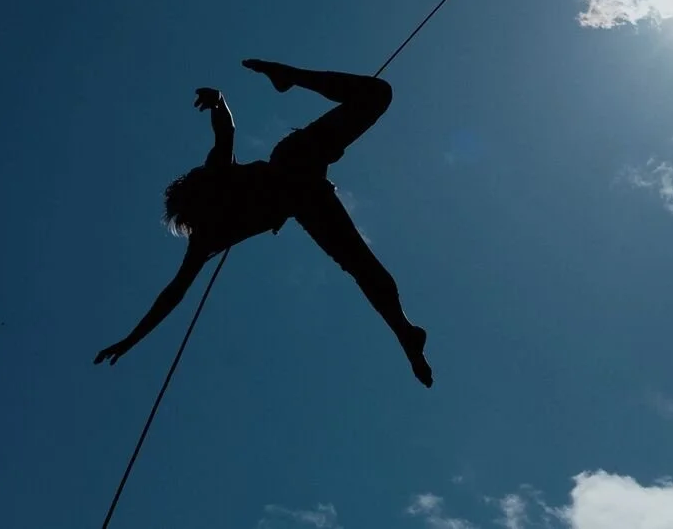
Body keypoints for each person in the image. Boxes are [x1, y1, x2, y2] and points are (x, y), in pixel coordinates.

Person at [93, 59, 433, 388]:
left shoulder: (209, 219)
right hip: (304, 192)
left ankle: (290, 76)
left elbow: (225, 130)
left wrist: (219, 102)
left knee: (376, 96)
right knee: (366, 269)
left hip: (300, 177)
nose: (200, 173)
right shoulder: (208, 220)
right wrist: (130, 339)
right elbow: (172, 294)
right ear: (194, 197)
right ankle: (405, 332)